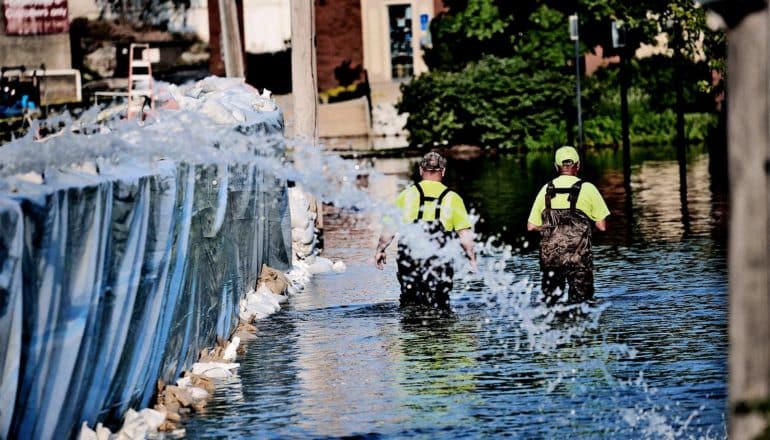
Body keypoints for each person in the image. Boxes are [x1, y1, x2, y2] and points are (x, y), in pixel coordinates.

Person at [375, 151, 477, 309]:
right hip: (439, 260)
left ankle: (412, 328)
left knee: (409, 301)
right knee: (440, 301)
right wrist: (472, 259)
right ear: (442, 171)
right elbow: (465, 236)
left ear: (421, 170)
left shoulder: (406, 195)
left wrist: (380, 250)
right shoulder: (453, 198)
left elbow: (389, 229)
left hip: (410, 259)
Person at [526, 146, 610, 305]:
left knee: (551, 306)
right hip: (579, 259)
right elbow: (602, 226)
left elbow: (531, 227)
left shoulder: (546, 189)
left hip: (551, 259)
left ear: (556, 167)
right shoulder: (588, 188)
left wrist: (548, 229)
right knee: (583, 306)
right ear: (578, 165)